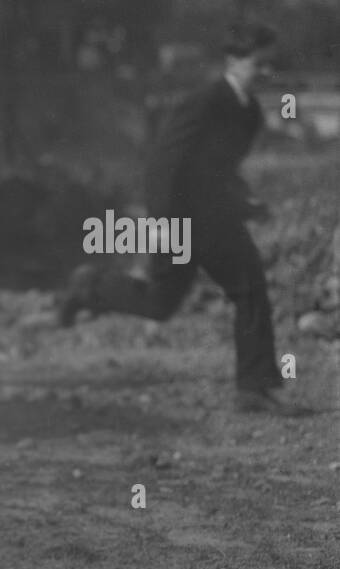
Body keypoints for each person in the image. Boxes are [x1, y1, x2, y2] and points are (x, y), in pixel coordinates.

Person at [58, 22, 303, 416]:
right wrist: (163, 222)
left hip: (215, 217)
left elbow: (220, 169)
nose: (268, 73)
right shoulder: (205, 100)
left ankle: (253, 388)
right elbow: (165, 161)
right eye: (261, 64)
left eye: (273, 65)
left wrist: (246, 203)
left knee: (208, 294)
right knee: (202, 295)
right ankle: (92, 288)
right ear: (234, 60)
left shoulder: (250, 113)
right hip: (178, 216)